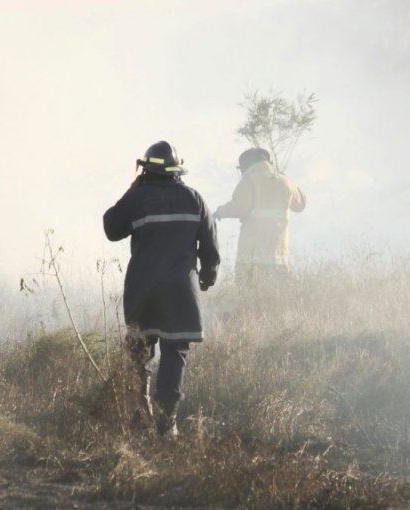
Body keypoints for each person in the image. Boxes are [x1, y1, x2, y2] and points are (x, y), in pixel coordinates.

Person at [103, 140, 219, 436]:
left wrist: (132, 190)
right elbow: (210, 248)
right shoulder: (195, 199)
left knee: (139, 348)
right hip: (180, 290)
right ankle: (168, 423)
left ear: (145, 169)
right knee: (175, 350)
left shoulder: (138, 197)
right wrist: (207, 277)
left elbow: (111, 229)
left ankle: (140, 414)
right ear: (177, 171)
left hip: (143, 289)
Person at [214, 148, 306, 283]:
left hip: (251, 257)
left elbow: (238, 207)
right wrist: (287, 180)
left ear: (245, 166)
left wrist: (219, 212)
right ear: (269, 163)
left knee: (249, 299)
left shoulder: (248, 182)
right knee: (277, 300)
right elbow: (300, 205)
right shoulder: (285, 182)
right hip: (279, 258)